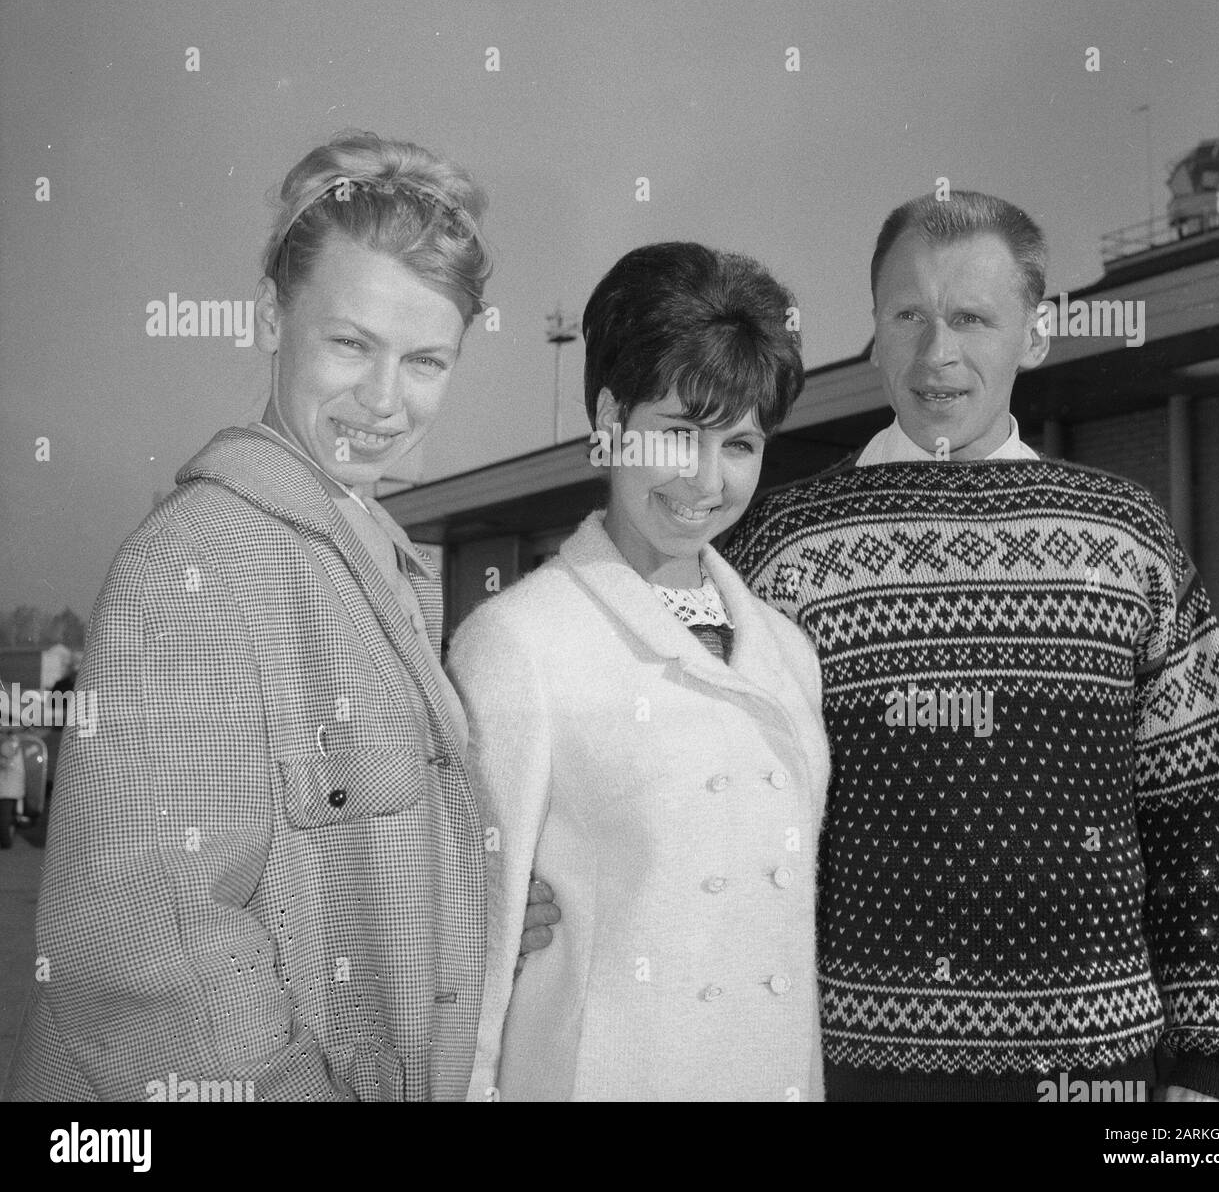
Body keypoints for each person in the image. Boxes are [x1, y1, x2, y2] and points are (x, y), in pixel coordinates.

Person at [4, 129, 549, 1103]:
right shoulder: (201, 559)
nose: (384, 400)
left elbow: (338, 867)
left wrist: (463, 908)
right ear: (270, 314)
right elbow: (146, 956)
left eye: (424, 359)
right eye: (350, 343)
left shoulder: (373, 553)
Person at [723, 191, 1219, 1102]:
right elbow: (704, 805)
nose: (939, 355)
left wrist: (1211, 1068)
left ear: (1036, 333)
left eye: (972, 317)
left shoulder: (1127, 539)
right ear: (875, 329)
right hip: (846, 1068)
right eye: (910, 316)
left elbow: (1199, 808)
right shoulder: (780, 550)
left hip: (1102, 1074)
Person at [449, 242, 830, 1101]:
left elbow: (783, 952)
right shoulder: (519, 643)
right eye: (678, 433)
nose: (705, 480)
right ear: (611, 419)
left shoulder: (788, 654)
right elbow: (473, 957)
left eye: (739, 443)